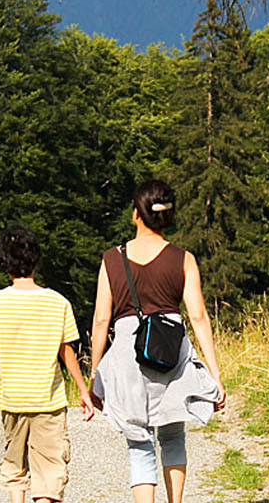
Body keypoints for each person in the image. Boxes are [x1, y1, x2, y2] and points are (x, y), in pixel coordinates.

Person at [89, 179, 227, 503]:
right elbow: (198, 317)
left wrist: (96, 373)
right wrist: (215, 373)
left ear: (136, 214)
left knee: (139, 443)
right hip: (170, 350)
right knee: (173, 435)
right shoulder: (183, 259)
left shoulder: (111, 259)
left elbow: (100, 320)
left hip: (126, 353)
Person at [0, 226, 93, 503]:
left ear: (3, 263)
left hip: (11, 398)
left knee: (14, 464)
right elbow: (67, 352)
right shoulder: (58, 302)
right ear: (36, 259)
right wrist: (84, 391)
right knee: (50, 468)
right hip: (48, 400)